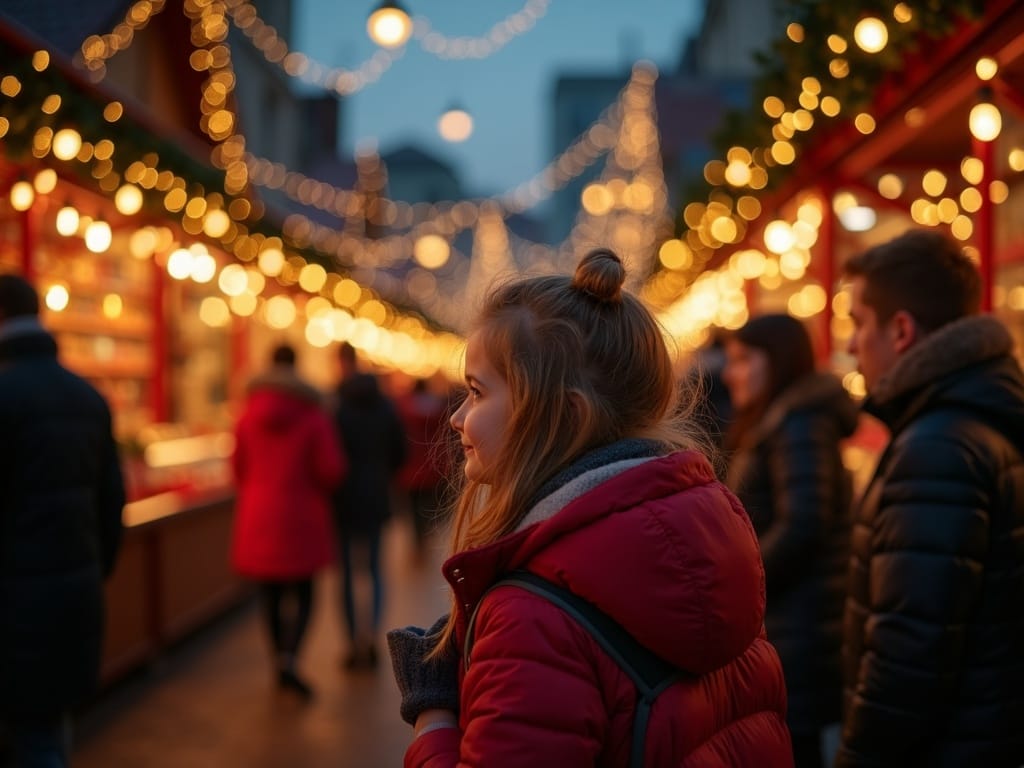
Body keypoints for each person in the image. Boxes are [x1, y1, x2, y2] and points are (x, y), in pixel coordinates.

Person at [386, 249, 792, 767]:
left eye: (476, 392)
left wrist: (433, 716)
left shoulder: (533, 617)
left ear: (561, 416)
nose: (458, 418)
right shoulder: (711, 540)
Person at [836, 229, 1024, 767]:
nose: (850, 345)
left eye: (857, 323)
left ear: (900, 330)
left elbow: (906, 663)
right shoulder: (977, 421)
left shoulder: (936, 449)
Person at [722, 313, 858, 768]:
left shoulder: (798, 424)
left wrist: (741, 581)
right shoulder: (781, 420)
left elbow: (803, 526)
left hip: (800, 629)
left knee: (794, 747)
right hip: (793, 623)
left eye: (743, 359)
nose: (729, 372)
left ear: (776, 362)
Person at [0, 274, 125, 766]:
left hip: (15, 598)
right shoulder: (88, 399)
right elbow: (111, 502)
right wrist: (95, 569)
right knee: (51, 728)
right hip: (75, 589)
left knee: (32, 734)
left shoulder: (5, 397)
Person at [231, 343, 346, 699]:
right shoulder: (314, 414)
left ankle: (277, 661)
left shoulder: (247, 414)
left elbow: (236, 467)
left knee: (269, 595)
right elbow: (331, 469)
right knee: (305, 592)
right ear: (297, 367)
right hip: (302, 518)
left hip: (260, 516)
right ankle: (292, 658)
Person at [332, 342, 407, 669]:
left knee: (346, 574)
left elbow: (329, 456)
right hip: (376, 495)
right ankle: (372, 637)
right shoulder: (385, 406)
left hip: (344, 499)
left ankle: (352, 642)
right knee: (375, 571)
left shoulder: (337, 407)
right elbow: (400, 451)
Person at [396, 377, 452, 562]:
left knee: (413, 510)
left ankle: (417, 544)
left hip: (410, 470)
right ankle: (425, 541)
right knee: (428, 508)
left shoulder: (404, 410)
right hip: (431, 470)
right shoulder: (438, 410)